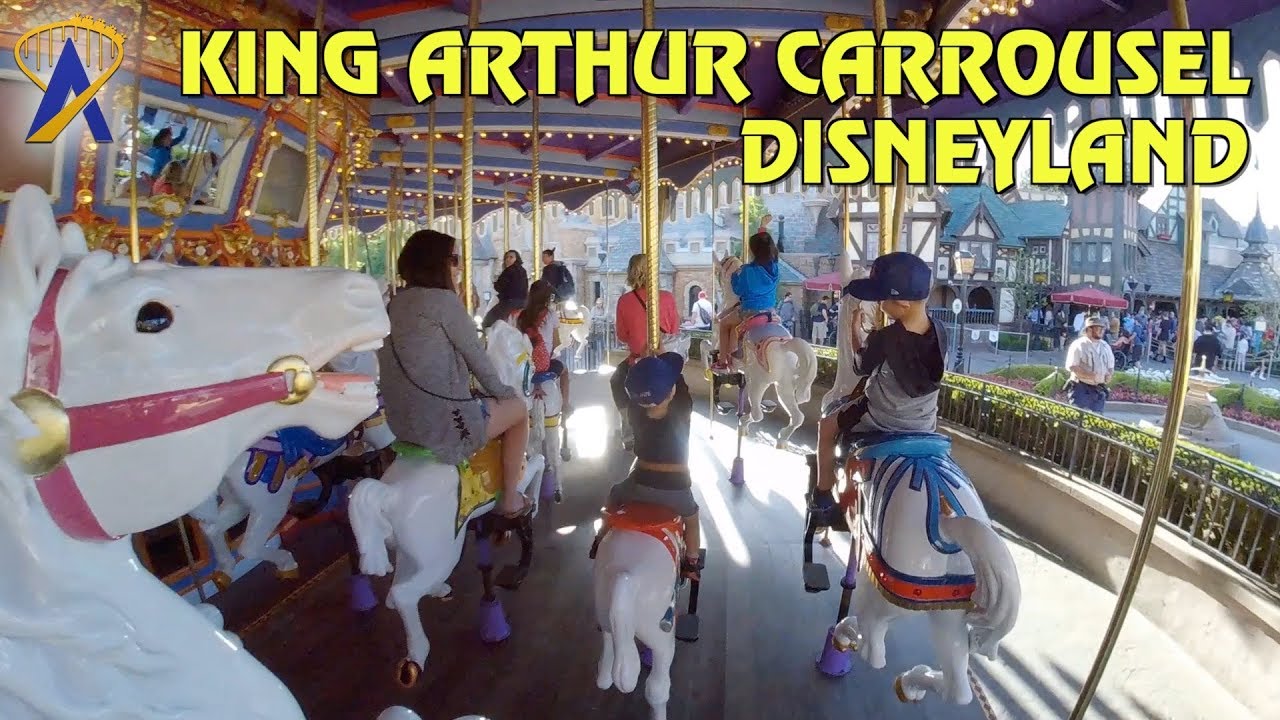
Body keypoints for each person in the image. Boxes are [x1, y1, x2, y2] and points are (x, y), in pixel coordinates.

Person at [378, 229, 532, 518]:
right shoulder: (443, 302)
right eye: (454, 259)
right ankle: (510, 499)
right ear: (437, 263)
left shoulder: (394, 304)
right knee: (519, 410)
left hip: (399, 423)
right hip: (445, 424)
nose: (458, 266)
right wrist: (503, 392)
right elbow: (476, 357)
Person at [811, 252, 948, 512]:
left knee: (826, 427)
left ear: (903, 303)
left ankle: (823, 493)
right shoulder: (941, 331)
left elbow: (860, 366)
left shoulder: (885, 338)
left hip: (881, 419)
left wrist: (855, 332)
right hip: (924, 423)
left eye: (883, 298)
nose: (880, 303)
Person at [597, 352, 704, 582]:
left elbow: (622, 380)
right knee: (692, 519)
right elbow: (679, 382)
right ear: (672, 392)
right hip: (677, 490)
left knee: (615, 494)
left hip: (639, 484)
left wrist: (636, 359)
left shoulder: (635, 413)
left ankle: (603, 533)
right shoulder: (681, 410)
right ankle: (692, 562)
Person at [613, 253, 679, 445]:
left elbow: (622, 335)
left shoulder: (624, 301)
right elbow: (674, 330)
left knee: (617, 381)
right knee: (681, 390)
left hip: (638, 362)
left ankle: (627, 427)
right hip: (665, 360)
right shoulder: (666, 297)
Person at [712, 231, 780, 370]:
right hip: (769, 311)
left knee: (723, 323)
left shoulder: (747, 270)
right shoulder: (774, 268)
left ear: (753, 250)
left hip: (749, 311)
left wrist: (735, 277)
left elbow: (737, 290)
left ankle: (723, 361)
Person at [517, 279, 572, 415]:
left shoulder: (522, 316)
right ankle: (565, 404)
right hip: (544, 364)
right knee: (564, 370)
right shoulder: (550, 314)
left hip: (525, 365)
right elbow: (556, 342)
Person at [1065, 316, 1114, 414]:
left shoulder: (1105, 346)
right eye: (1097, 328)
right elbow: (1072, 366)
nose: (1101, 331)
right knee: (1078, 418)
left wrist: (1109, 374)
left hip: (1098, 389)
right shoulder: (1079, 345)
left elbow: (1111, 366)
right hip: (1080, 388)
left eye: (1102, 329)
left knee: (1096, 419)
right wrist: (1089, 375)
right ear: (1089, 330)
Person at [481, 250, 529, 329]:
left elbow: (499, 286)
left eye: (511, 257)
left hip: (510, 302)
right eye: (506, 257)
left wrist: (496, 283)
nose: (508, 259)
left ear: (516, 259)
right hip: (523, 302)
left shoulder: (509, 270)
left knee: (488, 320)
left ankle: (485, 333)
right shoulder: (523, 270)